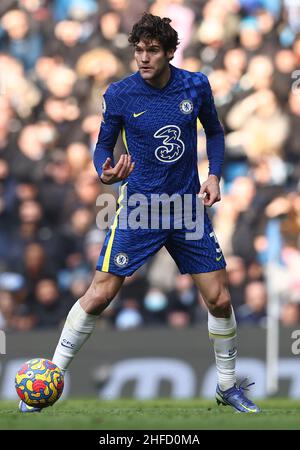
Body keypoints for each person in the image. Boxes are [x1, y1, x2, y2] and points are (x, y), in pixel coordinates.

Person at [19, 13, 260, 414]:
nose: (144, 58)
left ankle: (226, 386)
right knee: (99, 295)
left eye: (152, 51)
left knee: (219, 298)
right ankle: (52, 377)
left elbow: (214, 132)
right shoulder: (119, 94)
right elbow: (102, 145)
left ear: (169, 52)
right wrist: (105, 170)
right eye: (138, 51)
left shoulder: (195, 85)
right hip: (139, 209)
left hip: (186, 207)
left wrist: (215, 175)